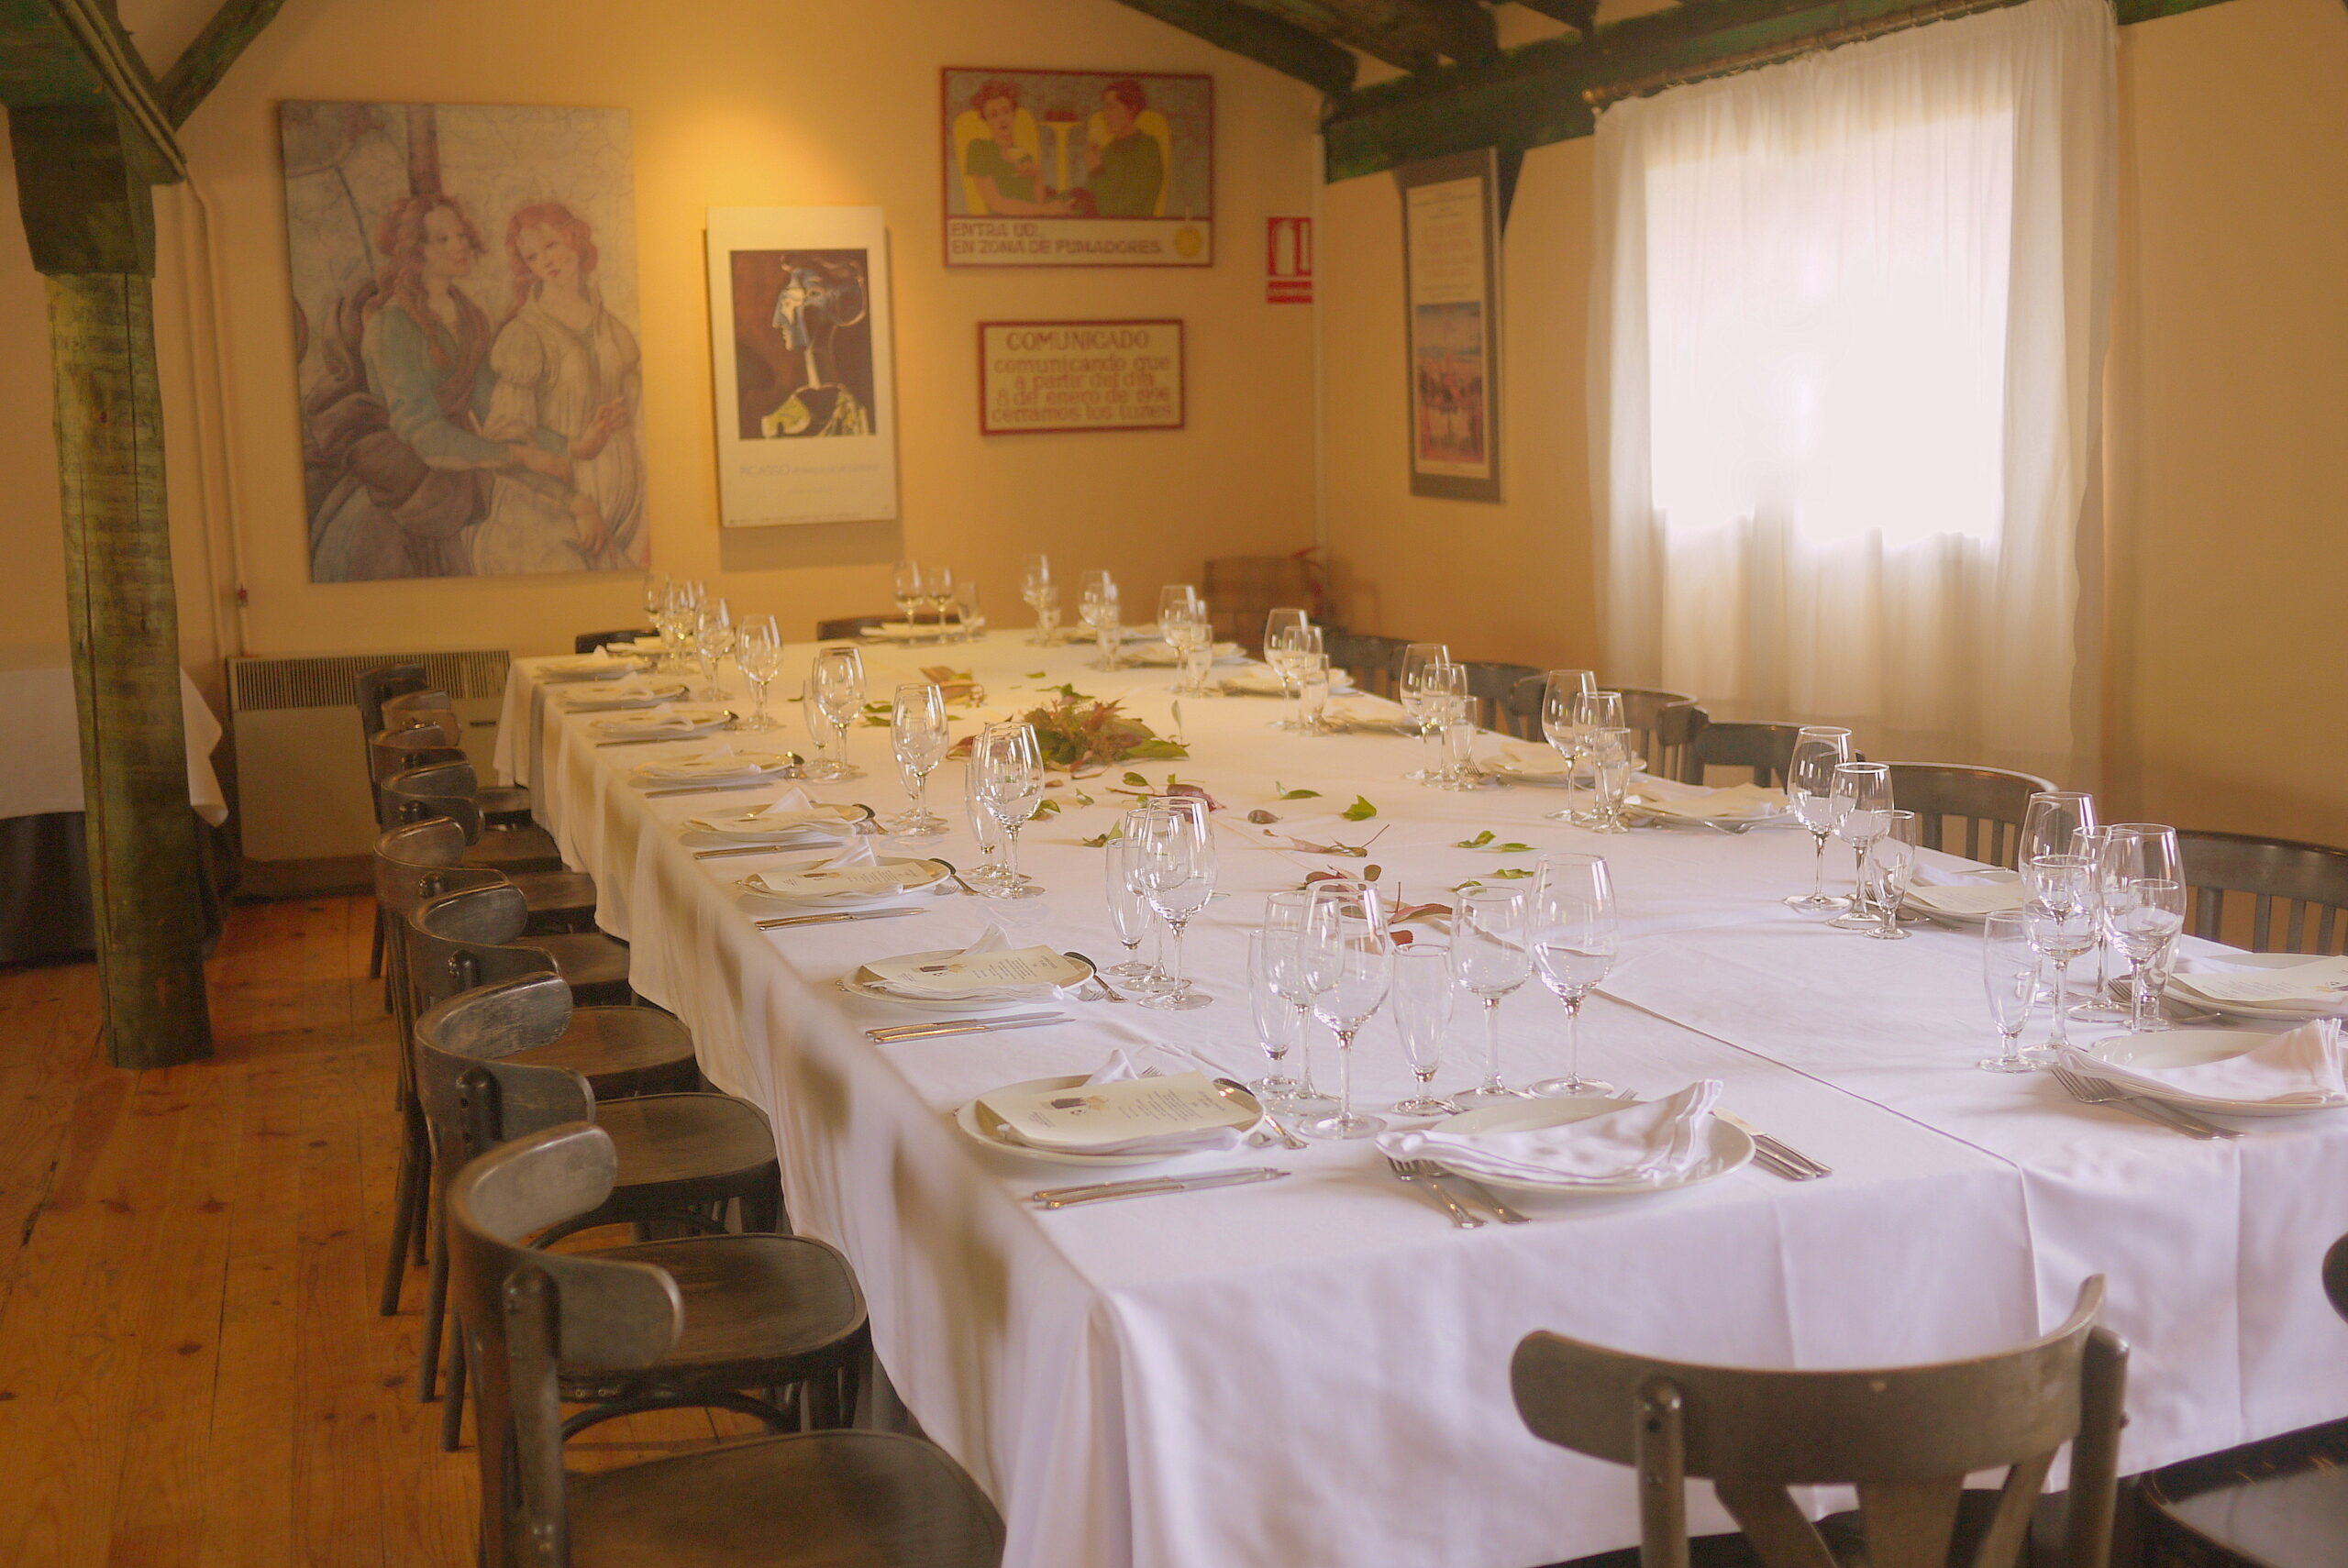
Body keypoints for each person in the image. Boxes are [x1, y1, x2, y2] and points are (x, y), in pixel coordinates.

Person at [309, 193, 570, 580]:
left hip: (471, 452)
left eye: (461, 235)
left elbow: (493, 409)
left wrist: (565, 446)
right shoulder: (392, 326)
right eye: (442, 239)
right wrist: (521, 456)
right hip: (418, 476)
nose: (459, 245)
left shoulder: (470, 317)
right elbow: (424, 434)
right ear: (415, 252)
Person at [471, 202, 647, 574]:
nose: (546, 261)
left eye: (551, 245)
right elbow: (507, 442)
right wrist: (575, 493)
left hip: (620, 522)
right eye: (532, 257)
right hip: (547, 523)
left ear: (575, 238)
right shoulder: (524, 337)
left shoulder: (613, 330)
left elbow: (643, 421)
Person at [962, 80, 1070, 216]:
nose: (1002, 119)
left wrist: (1039, 175)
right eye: (994, 115)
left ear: (1013, 114)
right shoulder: (979, 148)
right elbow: (997, 203)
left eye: (1006, 111)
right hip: (1003, 223)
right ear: (986, 120)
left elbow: (1038, 205)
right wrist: (1046, 210)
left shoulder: (1023, 156)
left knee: (1076, 198)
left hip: (1030, 222)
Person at [1080, 80, 1163, 219]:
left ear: (1132, 109)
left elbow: (1116, 210)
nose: (1105, 115)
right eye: (1105, 108)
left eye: (1111, 107)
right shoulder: (1107, 151)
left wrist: (1097, 169)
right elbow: (1088, 200)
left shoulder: (1147, 148)